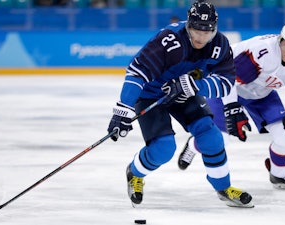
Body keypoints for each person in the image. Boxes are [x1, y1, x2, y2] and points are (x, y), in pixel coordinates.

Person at [107, 0, 253, 208]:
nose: (202, 37)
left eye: (208, 31)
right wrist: (123, 110)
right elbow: (137, 72)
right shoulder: (169, 40)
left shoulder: (220, 45)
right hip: (152, 94)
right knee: (164, 149)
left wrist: (194, 85)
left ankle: (223, 187)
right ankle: (134, 173)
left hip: (186, 91)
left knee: (211, 137)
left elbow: (226, 83)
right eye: (197, 30)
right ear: (188, 25)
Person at [178, 20, 285, 190]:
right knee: (220, 139)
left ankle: (279, 175)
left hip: (261, 93)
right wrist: (233, 109)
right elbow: (229, 81)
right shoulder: (262, 52)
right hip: (224, 86)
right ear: (281, 40)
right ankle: (193, 145)